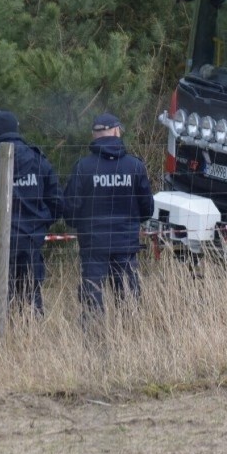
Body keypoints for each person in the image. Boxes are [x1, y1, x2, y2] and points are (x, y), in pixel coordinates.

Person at [0, 110, 63, 318]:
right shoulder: (38, 159)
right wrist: (39, 226)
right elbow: (57, 202)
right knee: (29, 300)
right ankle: (28, 343)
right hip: (29, 242)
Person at [64, 113, 154, 320]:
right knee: (129, 300)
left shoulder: (83, 167)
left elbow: (70, 210)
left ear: (94, 135)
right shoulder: (135, 166)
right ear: (116, 131)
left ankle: (93, 339)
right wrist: (129, 224)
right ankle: (128, 337)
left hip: (94, 243)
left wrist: (83, 226)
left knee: (92, 298)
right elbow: (147, 208)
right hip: (125, 243)